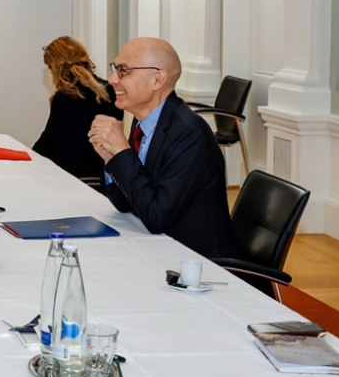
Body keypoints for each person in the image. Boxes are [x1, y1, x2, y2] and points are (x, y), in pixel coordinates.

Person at [87, 37, 233, 258]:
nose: (112, 79)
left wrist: (122, 152)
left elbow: (156, 217)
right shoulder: (143, 122)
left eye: (123, 71)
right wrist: (112, 159)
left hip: (194, 260)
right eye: (114, 69)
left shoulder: (188, 133)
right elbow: (125, 203)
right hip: (160, 245)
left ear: (157, 80)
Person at [32, 36, 122, 180]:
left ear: (55, 66)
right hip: (105, 174)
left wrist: (30, 158)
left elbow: (49, 139)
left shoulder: (64, 97)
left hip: (72, 176)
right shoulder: (110, 91)